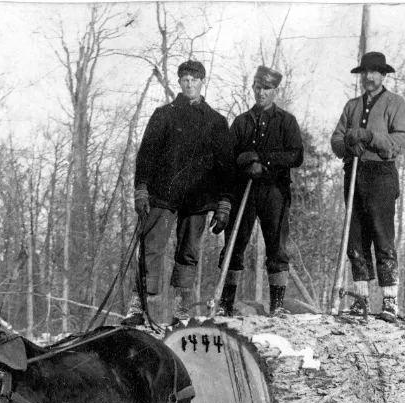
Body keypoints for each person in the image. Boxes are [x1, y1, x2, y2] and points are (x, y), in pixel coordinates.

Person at [124, 60, 234, 327]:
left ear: (202, 82)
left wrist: (224, 203)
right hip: (163, 195)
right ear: (179, 82)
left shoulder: (216, 122)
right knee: (151, 248)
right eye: (184, 79)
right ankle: (138, 308)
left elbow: (226, 168)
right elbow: (146, 155)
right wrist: (141, 189)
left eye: (194, 79)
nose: (189, 84)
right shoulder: (164, 115)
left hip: (197, 200)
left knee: (188, 253)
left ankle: (181, 311)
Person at [213, 65, 304, 317]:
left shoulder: (286, 121)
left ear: (275, 90)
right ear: (252, 88)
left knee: (276, 246)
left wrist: (263, 160)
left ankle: (277, 305)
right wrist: (243, 160)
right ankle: (225, 304)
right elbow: (227, 160)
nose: (261, 93)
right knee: (234, 243)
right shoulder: (241, 122)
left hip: (274, 191)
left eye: (267, 88)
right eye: (258, 87)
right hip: (244, 192)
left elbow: (296, 156)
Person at [330, 52, 405, 317]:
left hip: (381, 175)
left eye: (374, 72)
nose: (369, 76)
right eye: (365, 72)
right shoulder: (351, 106)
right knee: (356, 236)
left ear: (383, 75)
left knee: (382, 234)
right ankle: (361, 298)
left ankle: (389, 300)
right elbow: (336, 140)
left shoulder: (395, 103)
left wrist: (371, 137)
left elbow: (400, 142)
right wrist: (348, 145)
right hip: (354, 172)